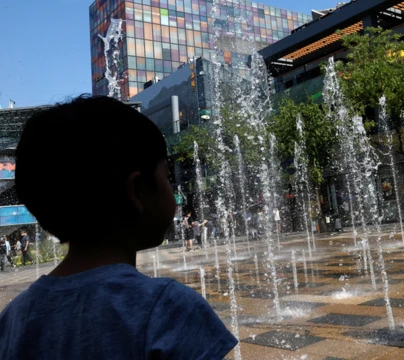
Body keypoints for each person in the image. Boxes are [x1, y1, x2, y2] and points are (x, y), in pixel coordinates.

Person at [0, 96, 237, 359]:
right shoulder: (167, 309)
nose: (171, 187)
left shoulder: (14, 318)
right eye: (167, 177)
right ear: (136, 191)